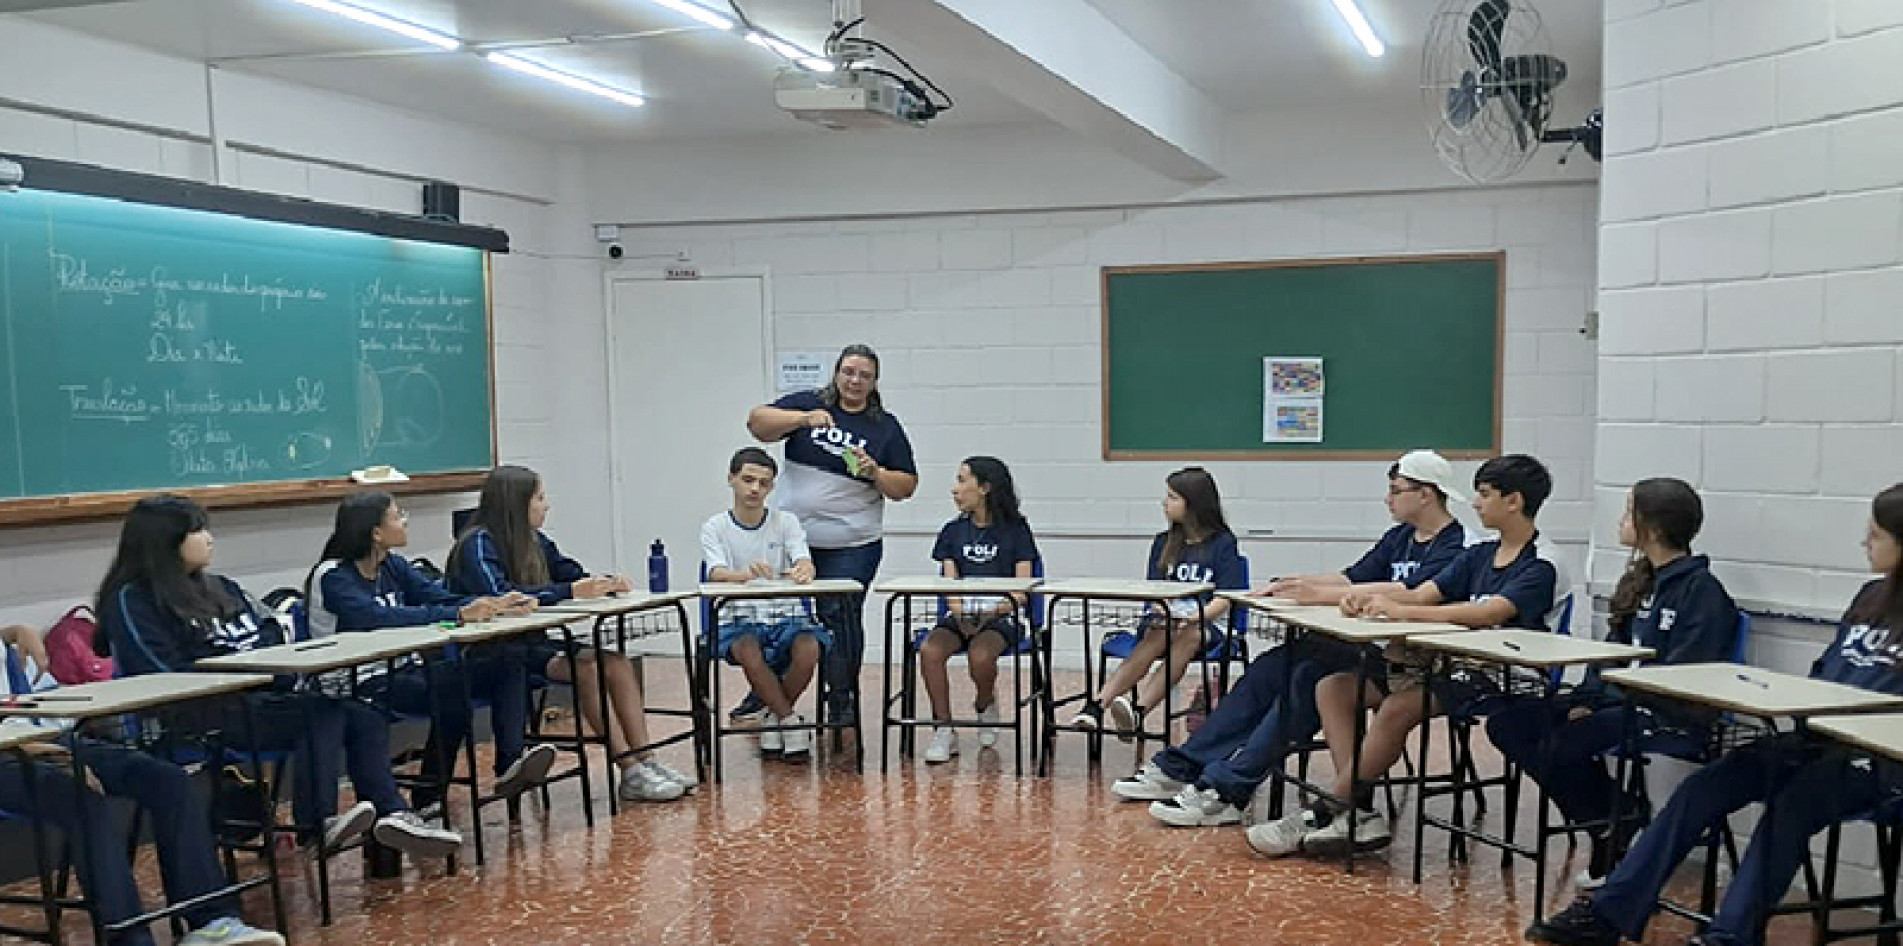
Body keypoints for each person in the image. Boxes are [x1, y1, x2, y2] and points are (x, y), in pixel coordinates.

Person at [1529, 483, 1903, 946]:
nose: (1865, 542)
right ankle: (1609, 914)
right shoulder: (1870, 597)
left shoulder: (1701, 591)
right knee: (1704, 787)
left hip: (1880, 758)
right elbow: (1827, 671)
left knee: (1794, 804)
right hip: (1819, 737)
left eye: (1876, 535)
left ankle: (1730, 936)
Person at [1118, 451, 1470, 829]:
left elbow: (1410, 592)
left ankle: (1228, 789)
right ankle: (1184, 765)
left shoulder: (1458, 545)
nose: (1388, 499)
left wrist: (1319, 595)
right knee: (1273, 665)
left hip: (1412, 665)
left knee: (1305, 680)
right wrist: (1295, 584)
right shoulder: (1399, 537)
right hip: (1371, 647)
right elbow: (1353, 578)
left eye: (1396, 491)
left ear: (1425, 494)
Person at [98, 494, 460, 860]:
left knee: (361, 715)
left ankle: (392, 815)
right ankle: (316, 826)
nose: (209, 539)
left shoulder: (222, 587)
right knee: (320, 714)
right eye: (197, 531)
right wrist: (239, 670)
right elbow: (161, 670)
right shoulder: (133, 601)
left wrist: (271, 670)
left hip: (255, 698)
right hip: (197, 715)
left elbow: (271, 629)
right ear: (165, 541)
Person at [1248, 454, 1562, 858]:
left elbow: (1488, 613)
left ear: (1514, 501)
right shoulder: (1480, 554)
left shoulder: (1542, 562)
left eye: (1484, 494)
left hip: (1504, 674)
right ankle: (1357, 813)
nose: (1475, 503)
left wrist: (1402, 612)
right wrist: (1369, 602)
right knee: (1334, 689)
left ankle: (1326, 810)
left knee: (1398, 708)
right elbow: (1422, 594)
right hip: (1450, 663)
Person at [1487, 477, 1738, 883]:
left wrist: (1612, 700)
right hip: (1619, 701)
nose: (1620, 522)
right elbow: (1610, 653)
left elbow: (1688, 674)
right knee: (1509, 724)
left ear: (1652, 527)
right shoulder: (1639, 581)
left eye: (1627, 513)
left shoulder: (1702, 591)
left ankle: (1611, 825)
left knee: (1560, 746)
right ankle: (1613, 817)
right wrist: (1589, 697)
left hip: (1665, 711)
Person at [1, 623, 286, 946]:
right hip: (11, 752)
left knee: (168, 781)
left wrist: (15, 631)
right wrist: (38, 749)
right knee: (85, 803)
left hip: (51, 739)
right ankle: (130, 940)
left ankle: (211, 921)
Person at [445, 464, 694, 803]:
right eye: (539, 498)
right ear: (516, 503)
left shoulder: (534, 540)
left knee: (617, 663)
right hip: (491, 654)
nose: (546, 505)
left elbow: (568, 572)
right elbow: (502, 597)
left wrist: (603, 583)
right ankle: (629, 770)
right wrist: (570, 591)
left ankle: (646, 758)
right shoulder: (477, 543)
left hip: (532, 644)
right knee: (588, 669)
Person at [306, 491, 556, 812]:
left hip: (403, 669)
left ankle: (510, 766)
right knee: (451, 696)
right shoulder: (333, 575)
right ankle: (428, 795)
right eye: (397, 516)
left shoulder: (392, 565)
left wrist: (493, 604)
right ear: (376, 533)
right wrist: (458, 615)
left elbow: (435, 596)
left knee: (506, 661)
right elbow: (376, 617)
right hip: (356, 681)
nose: (405, 521)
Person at [746, 344, 917, 723]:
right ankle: (764, 691)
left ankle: (841, 698)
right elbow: (757, 423)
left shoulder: (884, 427)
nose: (855, 381)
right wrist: (802, 420)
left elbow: (905, 486)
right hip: (793, 539)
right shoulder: (810, 404)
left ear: (875, 382)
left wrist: (875, 473)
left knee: (840, 616)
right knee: (777, 615)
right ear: (836, 373)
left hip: (851, 544)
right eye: (848, 372)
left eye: (864, 375)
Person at [1070, 467, 1245, 741]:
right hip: (1166, 620)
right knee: (1158, 632)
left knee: (1190, 634)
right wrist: (1164, 611)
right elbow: (1155, 593)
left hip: (1206, 624)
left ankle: (1139, 710)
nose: (1165, 503)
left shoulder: (1223, 544)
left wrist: (1194, 617)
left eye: (1173, 497)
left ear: (1194, 503)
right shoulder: (1164, 543)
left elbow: (1225, 598)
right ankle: (1097, 705)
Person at [701, 447, 831, 760]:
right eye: (747, 480)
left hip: (786, 616)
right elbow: (715, 572)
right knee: (748, 649)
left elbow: (803, 559)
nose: (755, 489)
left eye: (763, 483)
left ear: (772, 487)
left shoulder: (786, 522)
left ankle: (774, 717)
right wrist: (744, 575)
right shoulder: (715, 526)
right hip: (737, 618)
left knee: (809, 647)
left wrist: (804, 569)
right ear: (731, 479)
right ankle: (790, 721)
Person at [918, 456, 1039, 764]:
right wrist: (960, 613)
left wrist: (990, 613)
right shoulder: (952, 532)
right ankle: (943, 728)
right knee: (930, 651)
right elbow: (949, 583)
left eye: (962, 481)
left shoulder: (1016, 531)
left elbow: (1022, 590)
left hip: (1001, 615)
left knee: (981, 656)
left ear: (984, 488)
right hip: (961, 615)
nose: (954, 489)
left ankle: (985, 702)